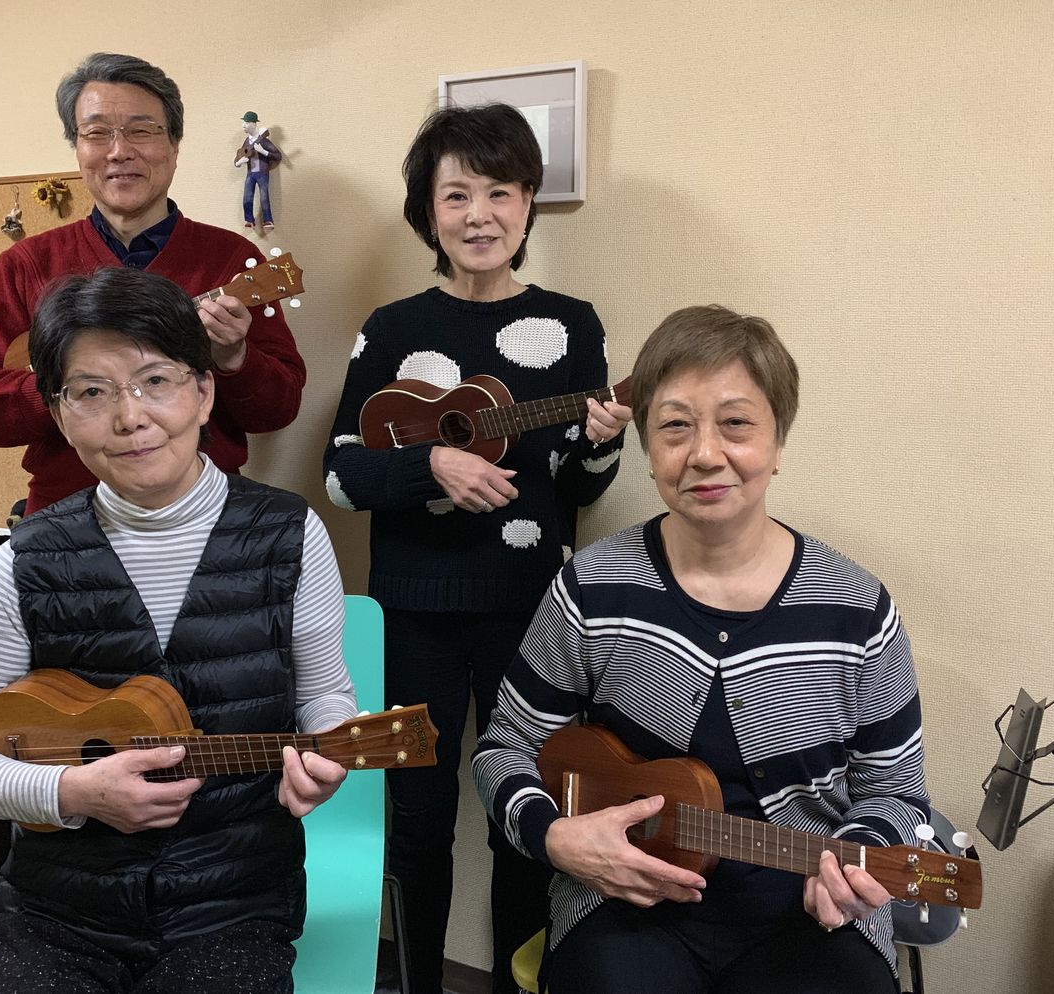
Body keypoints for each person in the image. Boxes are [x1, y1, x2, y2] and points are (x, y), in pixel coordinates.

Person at [0, 267, 355, 994]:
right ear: (58, 415)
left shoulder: (290, 534)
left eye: (156, 381)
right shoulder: (25, 560)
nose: (130, 417)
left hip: (232, 908)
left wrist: (328, 751)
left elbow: (324, 696)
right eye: (92, 392)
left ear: (204, 391)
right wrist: (73, 792)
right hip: (60, 916)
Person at [473, 305, 930, 994]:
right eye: (675, 426)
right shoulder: (592, 587)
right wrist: (555, 838)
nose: (705, 454)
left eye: (736, 423)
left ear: (778, 442)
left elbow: (897, 792)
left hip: (805, 915)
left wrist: (859, 861)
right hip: (622, 903)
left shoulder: (856, 608)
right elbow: (503, 749)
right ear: (648, 447)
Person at [322, 103, 632, 994]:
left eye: (500, 192)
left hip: (533, 616)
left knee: (524, 820)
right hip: (412, 611)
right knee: (417, 820)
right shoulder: (391, 328)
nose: (479, 214)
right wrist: (430, 465)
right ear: (428, 210)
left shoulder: (572, 325)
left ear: (528, 204)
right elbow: (341, 474)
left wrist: (602, 442)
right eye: (456, 195)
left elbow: (580, 487)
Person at [0, 53, 306, 515]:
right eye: (97, 133)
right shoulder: (27, 263)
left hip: (203, 516)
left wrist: (235, 358)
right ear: (77, 148)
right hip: (63, 517)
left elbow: (278, 411)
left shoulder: (231, 261)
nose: (118, 151)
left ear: (174, 146)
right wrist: (67, 388)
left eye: (141, 130)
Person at [234, 110, 282, 230]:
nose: (243, 125)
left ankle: (268, 220)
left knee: (264, 196)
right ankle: (249, 220)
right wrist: (240, 162)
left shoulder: (263, 141)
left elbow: (277, 156)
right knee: (247, 196)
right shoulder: (246, 141)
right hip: (251, 173)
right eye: (244, 122)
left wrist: (263, 151)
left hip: (262, 173)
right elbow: (238, 158)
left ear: (254, 124)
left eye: (247, 122)